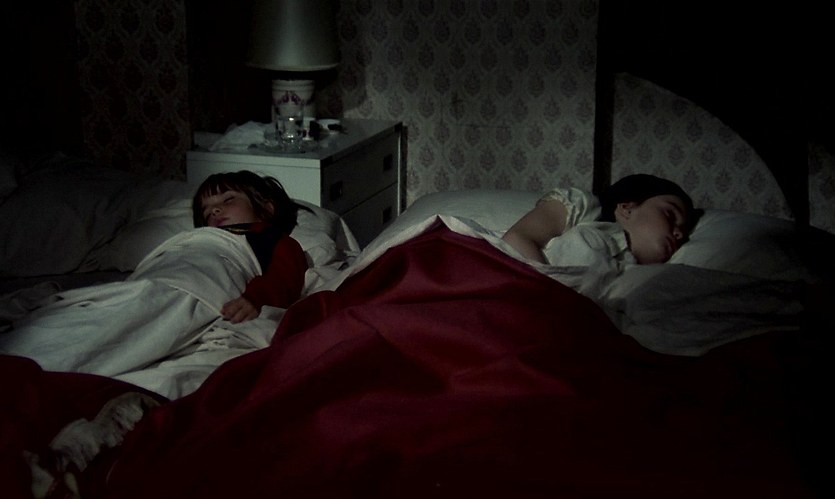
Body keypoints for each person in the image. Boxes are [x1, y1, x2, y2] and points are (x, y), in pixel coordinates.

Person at [502, 174, 699, 266]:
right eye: (670, 215)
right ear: (627, 208)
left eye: (683, 231)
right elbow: (517, 238)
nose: (679, 234)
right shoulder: (583, 207)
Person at [192, 170, 311, 323]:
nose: (214, 211)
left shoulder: (270, 238)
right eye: (206, 211)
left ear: (266, 208)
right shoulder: (202, 238)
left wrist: (257, 297)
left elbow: (285, 274)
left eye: (228, 200)